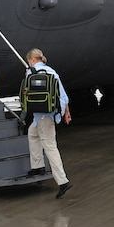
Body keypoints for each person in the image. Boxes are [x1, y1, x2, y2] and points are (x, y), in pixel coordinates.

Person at [23, 48, 73, 199]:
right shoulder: (52, 72)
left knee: (50, 147)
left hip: (43, 117)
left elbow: (26, 93)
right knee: (32, 133)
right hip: (46, 116)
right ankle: (38, 167)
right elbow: (62, 95)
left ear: (31, 60)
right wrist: (66, 112)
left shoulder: (31, 72)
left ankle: (63, 181)